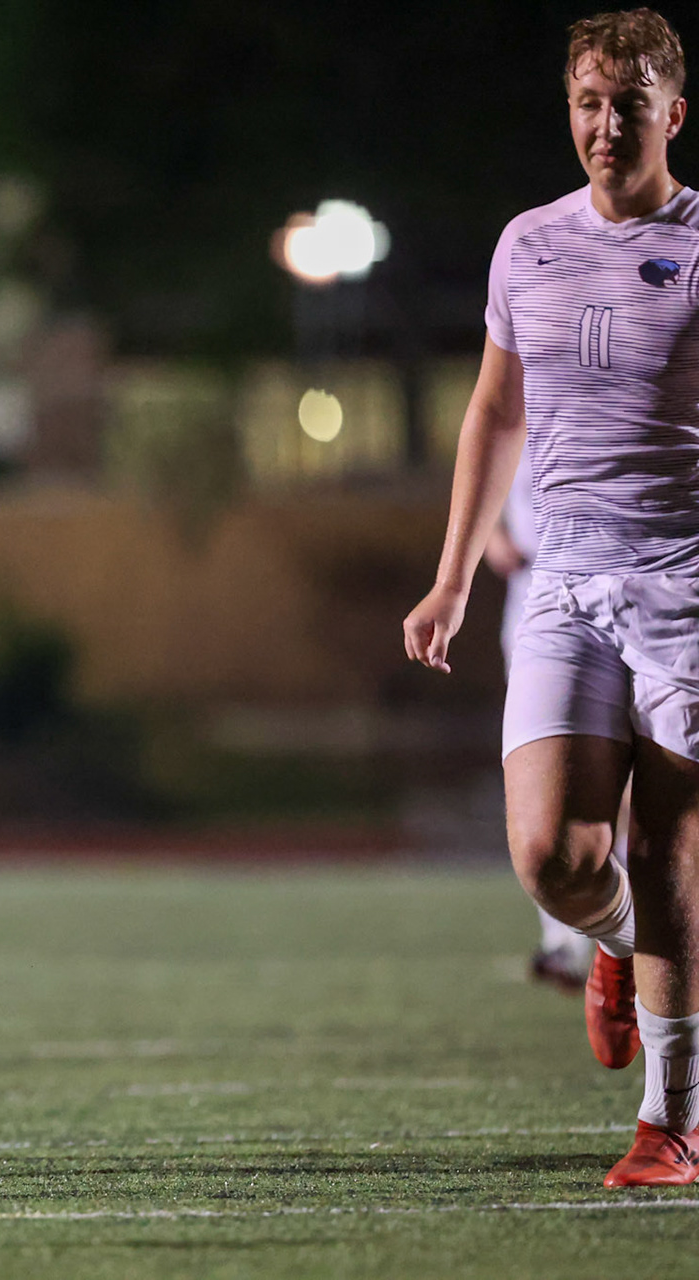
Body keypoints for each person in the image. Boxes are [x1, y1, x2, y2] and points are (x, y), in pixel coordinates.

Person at [404, 8, 699, 1186]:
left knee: (669, 841)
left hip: (685, 579)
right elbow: (494, 410)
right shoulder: (526, 242)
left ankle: (672, 1116)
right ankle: (617, 944)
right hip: (566, 580)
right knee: (550, 856)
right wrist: (455, 570)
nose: (604, 123)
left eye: (629, 103)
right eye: (587, 99)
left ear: (673, 114)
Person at [482, 453, 600, 994]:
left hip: (618, 616)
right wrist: (488, 542)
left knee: (619, 789)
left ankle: (618, 939)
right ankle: (564, 941)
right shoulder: (514, 408)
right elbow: (482, 488)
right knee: (544, 795)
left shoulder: (611, 391)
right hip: (534, 625)